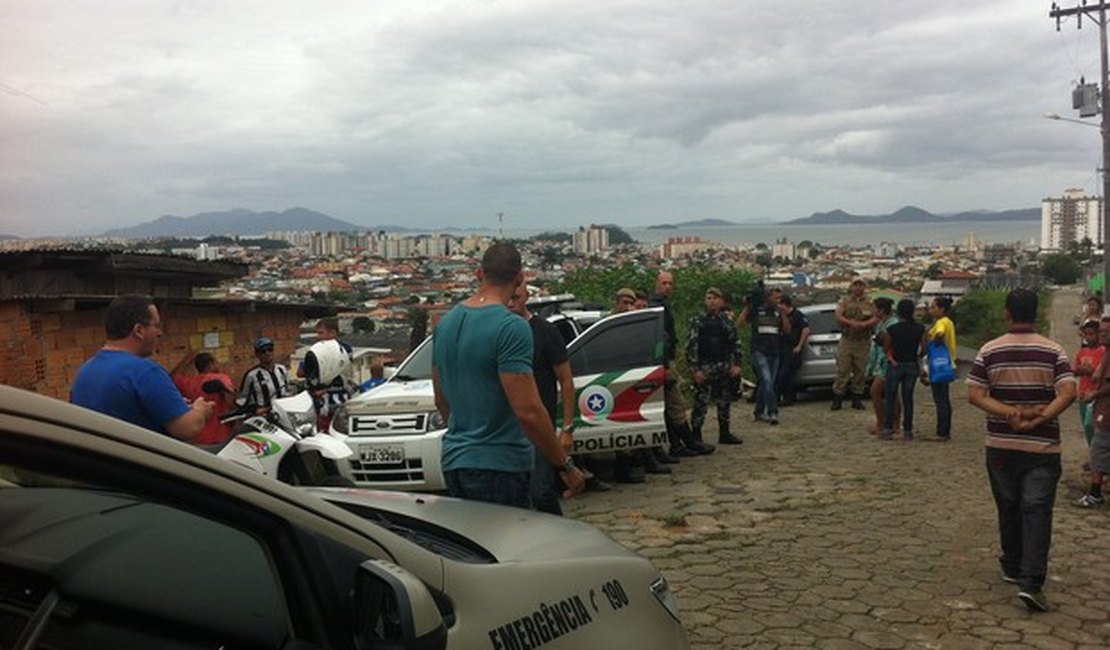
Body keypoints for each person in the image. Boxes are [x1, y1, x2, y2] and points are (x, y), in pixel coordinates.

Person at [431, 242, 584, 508]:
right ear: (520, 278)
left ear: (480, 274)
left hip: (455, 461)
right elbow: (528, 411)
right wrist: (564, 464)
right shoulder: (511, 327)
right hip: (499, 465)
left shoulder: (446, 323)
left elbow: (440, 399)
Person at [967, 288, 1075, 613]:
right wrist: (1041, 416)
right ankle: (1031, 583)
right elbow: (1068, 392)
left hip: (1001, 445)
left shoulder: (989, 350)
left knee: (1009, 507)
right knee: (1037, 512)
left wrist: (1007, 413)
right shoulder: (1053, 351)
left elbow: (975, 394)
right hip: (1042, 447)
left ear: (1007, 314)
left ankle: (1012, 565)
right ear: (1035, 312)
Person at [71, 295, 212, 441]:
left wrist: (172, 405)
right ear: (139, 330)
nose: (160, 333)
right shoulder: (145, 371)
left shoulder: (85, 370)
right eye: (156, 325)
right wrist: (200, 411)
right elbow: (188, 428)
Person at [508, 284, 578, 515]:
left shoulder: (545, 331)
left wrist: (567, 428)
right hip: (509, 429)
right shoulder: (501, 332)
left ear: (527, 294)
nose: (512, 299)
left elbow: (566, 381)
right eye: (508, 295)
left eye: (517, 294)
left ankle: (559, 537)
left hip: (540, 426)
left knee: (541, 492)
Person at [651, 271, 714, 456]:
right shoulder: (656, 308)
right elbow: (658, 340)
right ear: (657, 283)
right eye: (664, 283)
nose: (668, 287)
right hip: (662, 364)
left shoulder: (662, 306)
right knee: (676, 404)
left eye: (670, 283)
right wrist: (666, 365)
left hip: (665, 361)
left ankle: (678, 445)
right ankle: (687, 442)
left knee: (671, 406)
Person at [687, 287, 743, 444]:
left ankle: (724, 433)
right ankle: (696, 434)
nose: (712, 301)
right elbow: (691, 346)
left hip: (723, 366)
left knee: (724, 402)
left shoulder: (726, 322)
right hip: (704, 367)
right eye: (709, 298)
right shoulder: (697, 320)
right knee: (701, 403)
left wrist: (737, 365)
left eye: (715, 298)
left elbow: (736, 344)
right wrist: (695, 369)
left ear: (721, 301)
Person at [737, 281, 791, 425]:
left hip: (774, 352)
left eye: (780, 299)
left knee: (766, 383)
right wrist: (748, 307)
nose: (778, 301)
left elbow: (787, 330)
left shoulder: (777, 313)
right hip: (759, 351)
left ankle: (759, 411)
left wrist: (783, 314)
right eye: (776, 298)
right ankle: (773, 412)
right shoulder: (757, 310)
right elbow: (740, 324)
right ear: (767, 297)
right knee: (767, 380)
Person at [880, 299, 926, 441]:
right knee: (908, 399)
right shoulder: (921, 329)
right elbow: (924, 348)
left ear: (898, 312)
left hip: (895, 364)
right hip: (911, 365)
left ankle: (888, 429)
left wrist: (892, 358)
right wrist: (917, 358)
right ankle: (907, 431)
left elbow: (886, 348)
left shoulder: (892, 329)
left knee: (890, 398)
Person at [1076, 317, 1110, 508]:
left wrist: (1094, 394)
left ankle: (1095, 493)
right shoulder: (1105, 353)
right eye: (1102, 331)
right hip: (1100, 407)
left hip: (1106, 412)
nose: (1103, 334)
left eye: (1106, 331)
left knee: (1099, 450)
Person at [170, 351, 235, 445]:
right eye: (216, 362)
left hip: (198, 437)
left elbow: (174, 376)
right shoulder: (220, 378)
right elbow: (231, 403)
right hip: (220, 436)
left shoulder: (189, 382)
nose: (219, 365)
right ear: (211, 365)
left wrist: (186, 360)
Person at [832, 278, 878, 411]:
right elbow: (838, 315)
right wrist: (850, 323)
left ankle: (857, 398)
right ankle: (837, 398)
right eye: (856, 285)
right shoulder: (844, 301)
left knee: (860, 370)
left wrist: (864, 324)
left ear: (865, 287)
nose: (858, 288)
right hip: (847, 339)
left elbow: (876, 317)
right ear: (851, 287)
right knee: (843, 369)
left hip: (863, 340)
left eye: (861, 285)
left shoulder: (870, 302)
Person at [923, 296, 957, 441]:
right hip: (948, 364)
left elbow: (940, 334)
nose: (931, 309)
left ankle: (942, 432)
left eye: (934, 306)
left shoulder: (941, 322)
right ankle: (944, 429)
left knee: (940, 399)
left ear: (941, 309)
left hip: (939, 365)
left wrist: (934, 341)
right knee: (944, 398)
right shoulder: (949, 322)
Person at [865, 298, 899, 436]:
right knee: (890, 393)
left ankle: (884, 422)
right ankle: (890, 422)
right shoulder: (881, 324)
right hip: (880, 364)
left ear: (881, 310)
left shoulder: (892, 324)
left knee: (876, 391)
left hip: (888, 363)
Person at [239, 337, 292, 414]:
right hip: (264, 415)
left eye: (270, 349)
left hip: (283, 412)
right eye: (263, 351)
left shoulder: (282, 369)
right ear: (257, 355)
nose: (267, 353)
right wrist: (254, 409)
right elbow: (243, 398)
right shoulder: (252, 375)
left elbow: (288, 389)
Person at [1073, 320, 1104, 448]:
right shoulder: (1082, 352)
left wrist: (1088, 371)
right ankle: (1092, 452)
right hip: (1083, 394)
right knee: (1086, 427)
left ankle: (1097, 453)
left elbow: (1099, 373)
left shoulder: (1103, 352)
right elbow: (1076, 370)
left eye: (1092, 334)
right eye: (1087, 334)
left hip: (1096, 394)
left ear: (1098, 334)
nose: (1089, 337)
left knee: (1091, 424)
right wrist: (1079, 371)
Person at [776, 294, 810, 407]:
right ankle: (787, 397)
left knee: (786, 373)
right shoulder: (779, 315)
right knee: (784, 373)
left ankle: (786, 397)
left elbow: (805, 330)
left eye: (781, 304)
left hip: (793, 346)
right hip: (782, 346)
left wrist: (799, 346)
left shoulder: (797, 315)